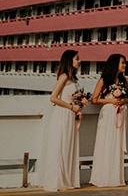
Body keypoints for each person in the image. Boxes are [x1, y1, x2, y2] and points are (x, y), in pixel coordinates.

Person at [42, 50, 82, 192]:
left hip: (71, 116)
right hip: (63, 114)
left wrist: (80, 103)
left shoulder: (74, 79)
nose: (79, 61)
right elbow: (53, 98)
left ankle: (67, 179)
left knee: (68, 146)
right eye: (77, 59)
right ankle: (59, 181)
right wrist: (71, 106)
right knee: (61, 146)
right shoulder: (64, 76)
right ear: (69, 60)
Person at [89, 53, 128, 187]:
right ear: (115, 64)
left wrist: (124, 100)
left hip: (121, 114)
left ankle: (115, 177)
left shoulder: (126, 81)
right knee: (106, 143)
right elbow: (94, 99)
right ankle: (102, 177)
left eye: (125, 63)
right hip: (108, 114)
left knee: (117, 145)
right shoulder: (104, 80)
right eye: (122, 63)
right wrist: (110, 100)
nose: (125, 65)